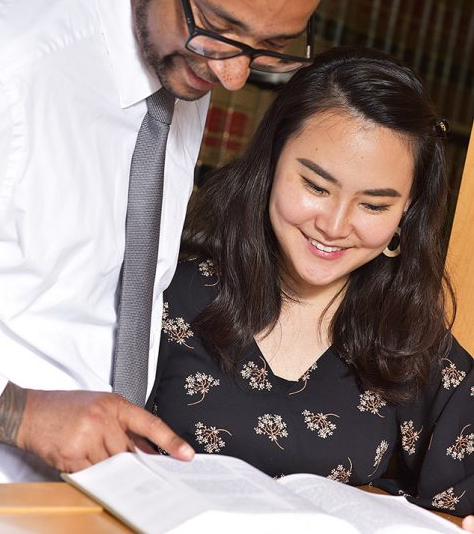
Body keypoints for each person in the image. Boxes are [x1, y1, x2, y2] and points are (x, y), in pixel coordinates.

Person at [0, 0, 343, 482]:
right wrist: (21, 413)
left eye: (268, 48)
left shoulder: (183, 56)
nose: (232, 75)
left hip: (87, 501)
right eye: (219, 28)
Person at [150, 46, 474, 521]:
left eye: (374, 206)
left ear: (407, 213)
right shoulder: (165, 293)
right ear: (273, 160)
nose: (335, 225)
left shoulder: (409, 341)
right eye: (317, 187)